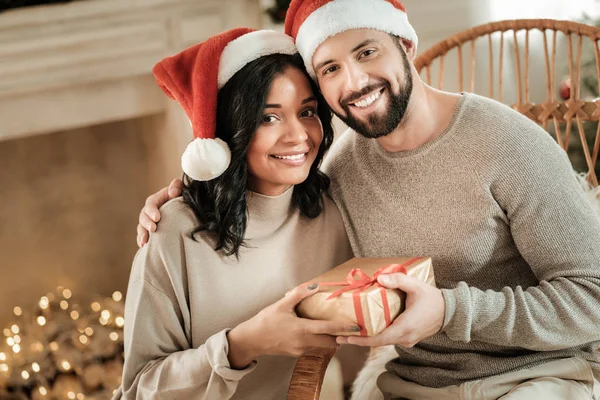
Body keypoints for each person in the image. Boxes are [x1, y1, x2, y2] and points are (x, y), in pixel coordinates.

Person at [138, 0, 600, 398]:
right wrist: (185, 191)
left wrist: (448, 311)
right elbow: (263, 181)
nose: (355, 81)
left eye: (366, 51)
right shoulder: (338, 172)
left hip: (536, 378)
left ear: (407, 46)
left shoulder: (510, 144)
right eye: (331, 69)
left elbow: (593, 297)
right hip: (413, 387)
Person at [114, 28, 356, 400]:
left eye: (306, 112)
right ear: (229, 130)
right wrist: (242, 344)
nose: (298, 135)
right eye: (268, 118)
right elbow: (138, 390)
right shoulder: (171, 231)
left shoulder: (333, 207)